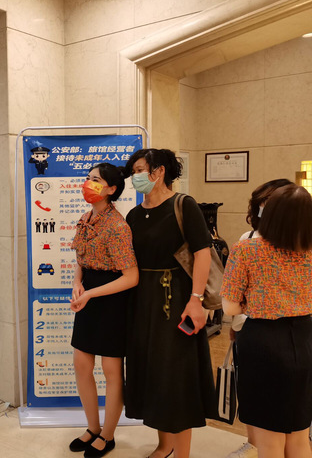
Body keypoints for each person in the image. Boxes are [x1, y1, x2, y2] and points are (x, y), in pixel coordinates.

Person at [123, 148, 217, 458]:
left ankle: (182, 454)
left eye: (140, 169)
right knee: (153, 373)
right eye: (134, 171)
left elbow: (202, 253)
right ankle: (165, 445)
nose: (136, 176)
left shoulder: (183, 204)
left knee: (176, 376)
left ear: (159, 171)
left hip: (176, 298)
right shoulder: (134, 215)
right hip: (142, 302)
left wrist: (196, 300)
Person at [221, 184, 312, 458]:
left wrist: (255, 303)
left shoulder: (246, 249)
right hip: (305, 339)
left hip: (263, 342)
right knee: (299, 435)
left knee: (269, 439)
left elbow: (229, 306)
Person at [68, 163, 139, 457]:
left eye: (95, 180)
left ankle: (108, 435)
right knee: (82, 365)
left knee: (111, 371)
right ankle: (92, 428)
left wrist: (90, 293)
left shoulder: (118, 226)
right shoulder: (85, 218)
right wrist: (77, 283)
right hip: (89, 296)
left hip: (111, 300)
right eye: (88, 178)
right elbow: (81, 261)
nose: (88, 183)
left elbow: (131, 277)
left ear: (111, 189)